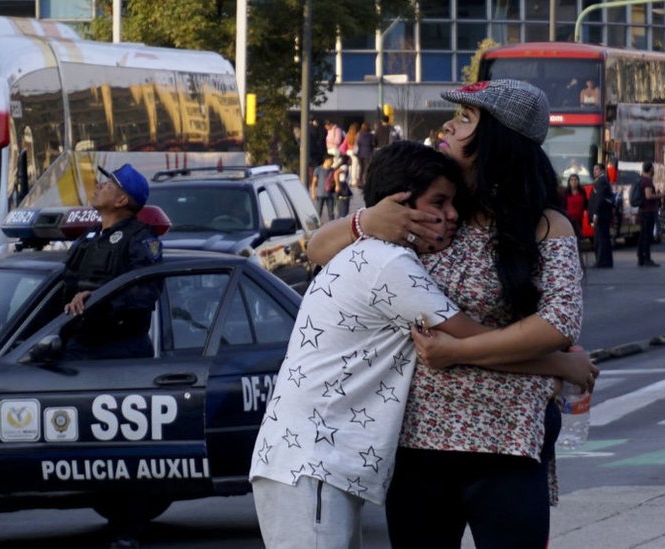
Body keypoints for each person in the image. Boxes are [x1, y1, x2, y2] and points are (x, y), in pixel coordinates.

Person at [249, 141, 595, 549]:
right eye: (440, 203)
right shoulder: (391, 265)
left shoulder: (376, 253)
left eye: (454, 203)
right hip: (313, 463)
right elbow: (468, 339)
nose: (451, 215)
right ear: (400, 205)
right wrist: (558, 364)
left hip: (318, 459)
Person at [61, 163, 163, 361]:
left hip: (118, 351)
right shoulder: (90, 235)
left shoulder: (139, 238)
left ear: (121, 200)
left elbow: (146, 292)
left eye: (108, 185)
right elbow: (64, 285)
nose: (99, 185)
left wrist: (97, 298)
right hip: (80, 342)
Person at [636, 161, 663, 267]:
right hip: (648, 211)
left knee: (642, 235)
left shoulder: (641, 179)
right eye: (653, 168)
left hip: (643, 211)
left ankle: (641, 258)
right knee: (646, 236)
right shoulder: (647, 181)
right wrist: (661, 195)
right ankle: (646, 258)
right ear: (651, 169)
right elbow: (649, 196)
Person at [590, 162, 615, 268]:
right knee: (603, 238)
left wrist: (595, 214)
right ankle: (606, 261)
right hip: (604, 215)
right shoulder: (603, 181)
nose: (594, 172)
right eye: (594, 169)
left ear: (602, 170)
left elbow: (599, 199)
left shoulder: (601, 181)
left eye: (596, 169)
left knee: (600, 239)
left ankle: (601, 261)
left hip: (601, 215)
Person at [311, 154, 335, 221]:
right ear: (326, 160)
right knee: (318, 212)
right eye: (331, 160)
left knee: (331, 213)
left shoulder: (333, 170)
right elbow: (313, 182)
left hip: (330, 194)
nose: (332, 162)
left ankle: (332, 226)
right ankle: (317, 227)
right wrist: (313, 193)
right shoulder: (318, 169)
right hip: (320, 194)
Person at [564, 173, 589, 239]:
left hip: (580, 219)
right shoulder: (566, 192)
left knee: (578, 237)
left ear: (578, 181)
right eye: (572, 180)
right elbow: (563, 206)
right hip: (569, 219)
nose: (574, 182)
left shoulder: (582, 192)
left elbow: (586, 204)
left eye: (575, 180)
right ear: (569, 182)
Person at [355, 122, 377, 186]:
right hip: (368, 153)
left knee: (361, 168)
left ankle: (360, 181)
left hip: (360, 153)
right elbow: (374, 144)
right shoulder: (371, 135)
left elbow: (357, 142)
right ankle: (367, 181)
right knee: (367, 168)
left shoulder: (359, 134)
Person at [332, 155, 353, 219]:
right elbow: (336, 173)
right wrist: (338, 185)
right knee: (343, 211)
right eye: (350, 160)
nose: (351, 161)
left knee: (340, 209)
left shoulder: (341, 166)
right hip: (343, 188)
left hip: (341, 187)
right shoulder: (344, 167)